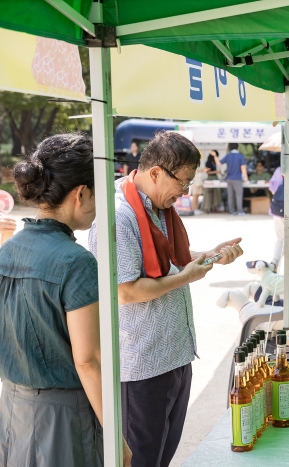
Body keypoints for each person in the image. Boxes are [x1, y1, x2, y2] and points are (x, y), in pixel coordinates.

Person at [88, 131, 244, 467]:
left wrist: (212, 255)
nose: (186, 192)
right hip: (142, 366)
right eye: (183, 182)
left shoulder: (158, 208)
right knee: (141, 460)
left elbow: (172, 263)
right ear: (156, 172)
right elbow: (124, 291)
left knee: (161, 458)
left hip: (175, 356)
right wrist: (186, 276)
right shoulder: (119, 216)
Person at [0, 134, 132, 467]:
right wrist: (117, 438)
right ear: (81, 193)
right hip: (64, 418)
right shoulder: (76, 261)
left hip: (12, 409)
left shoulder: (7, 251)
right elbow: (89, 361)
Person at [219, 143, 248, 215]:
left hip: (229, 179)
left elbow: (219, 163)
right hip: (237, 178)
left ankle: (231, 211)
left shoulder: (228, 156)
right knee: (238, 195)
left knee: (230, 196)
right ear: (237, 147)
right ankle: (240, 211)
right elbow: (243, 167)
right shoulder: (240, 156)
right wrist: (246, 177)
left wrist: (215, 156)